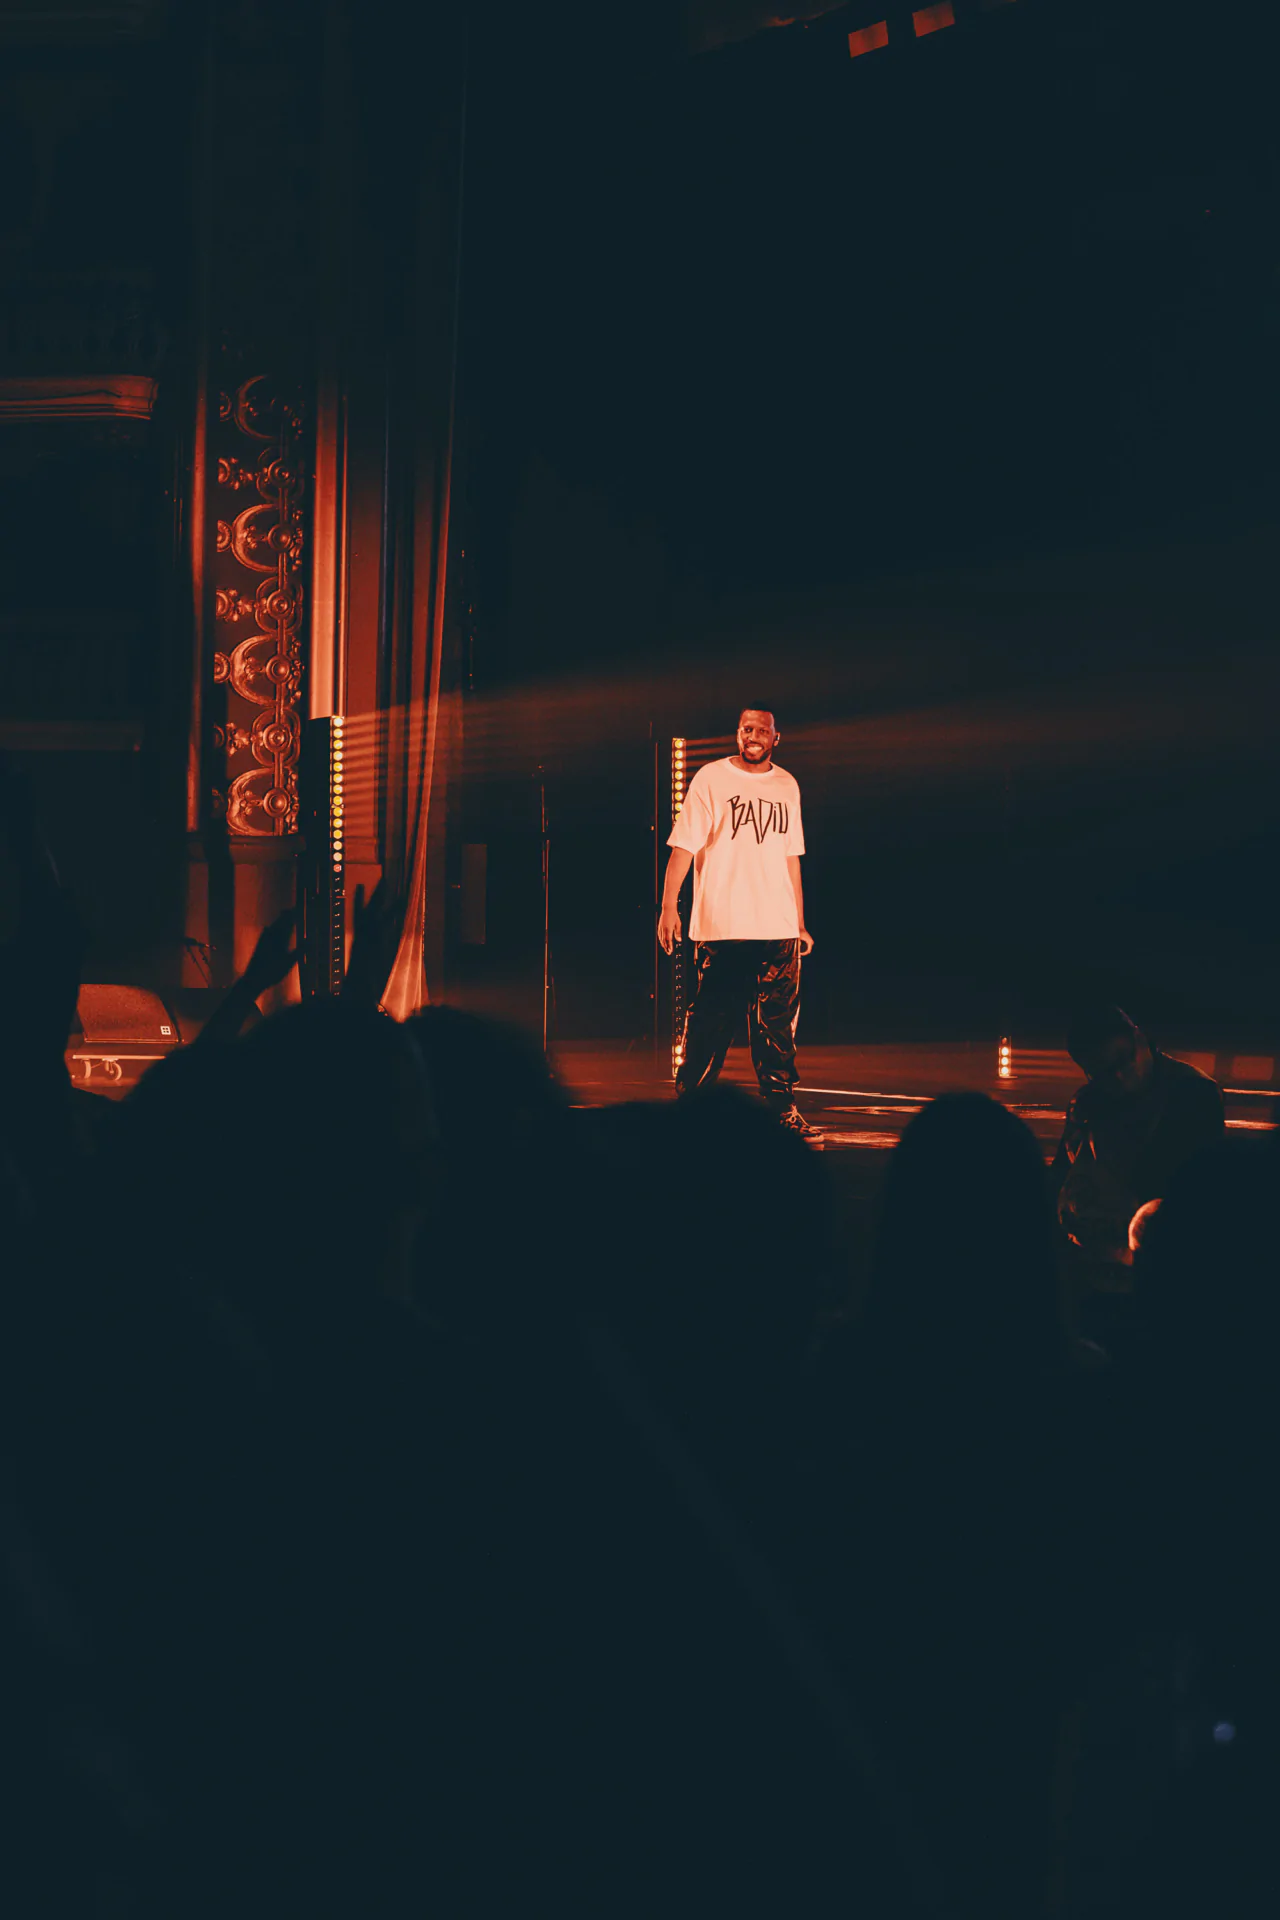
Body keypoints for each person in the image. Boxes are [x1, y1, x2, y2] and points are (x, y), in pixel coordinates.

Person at [657, 708, 815, 1134]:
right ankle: (692, 1109)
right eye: (747, 729)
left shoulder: (787, 784)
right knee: (712, 1020)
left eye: (762, 730)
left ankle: (782, 1110)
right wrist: (668, 905)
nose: (754, 736)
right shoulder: (710, 778)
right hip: (723, 926)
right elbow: (684, 848)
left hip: (777, 927)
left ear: (776, 738)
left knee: (778, 1026)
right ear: (737, 734)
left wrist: (799, 923)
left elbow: (791, 859)